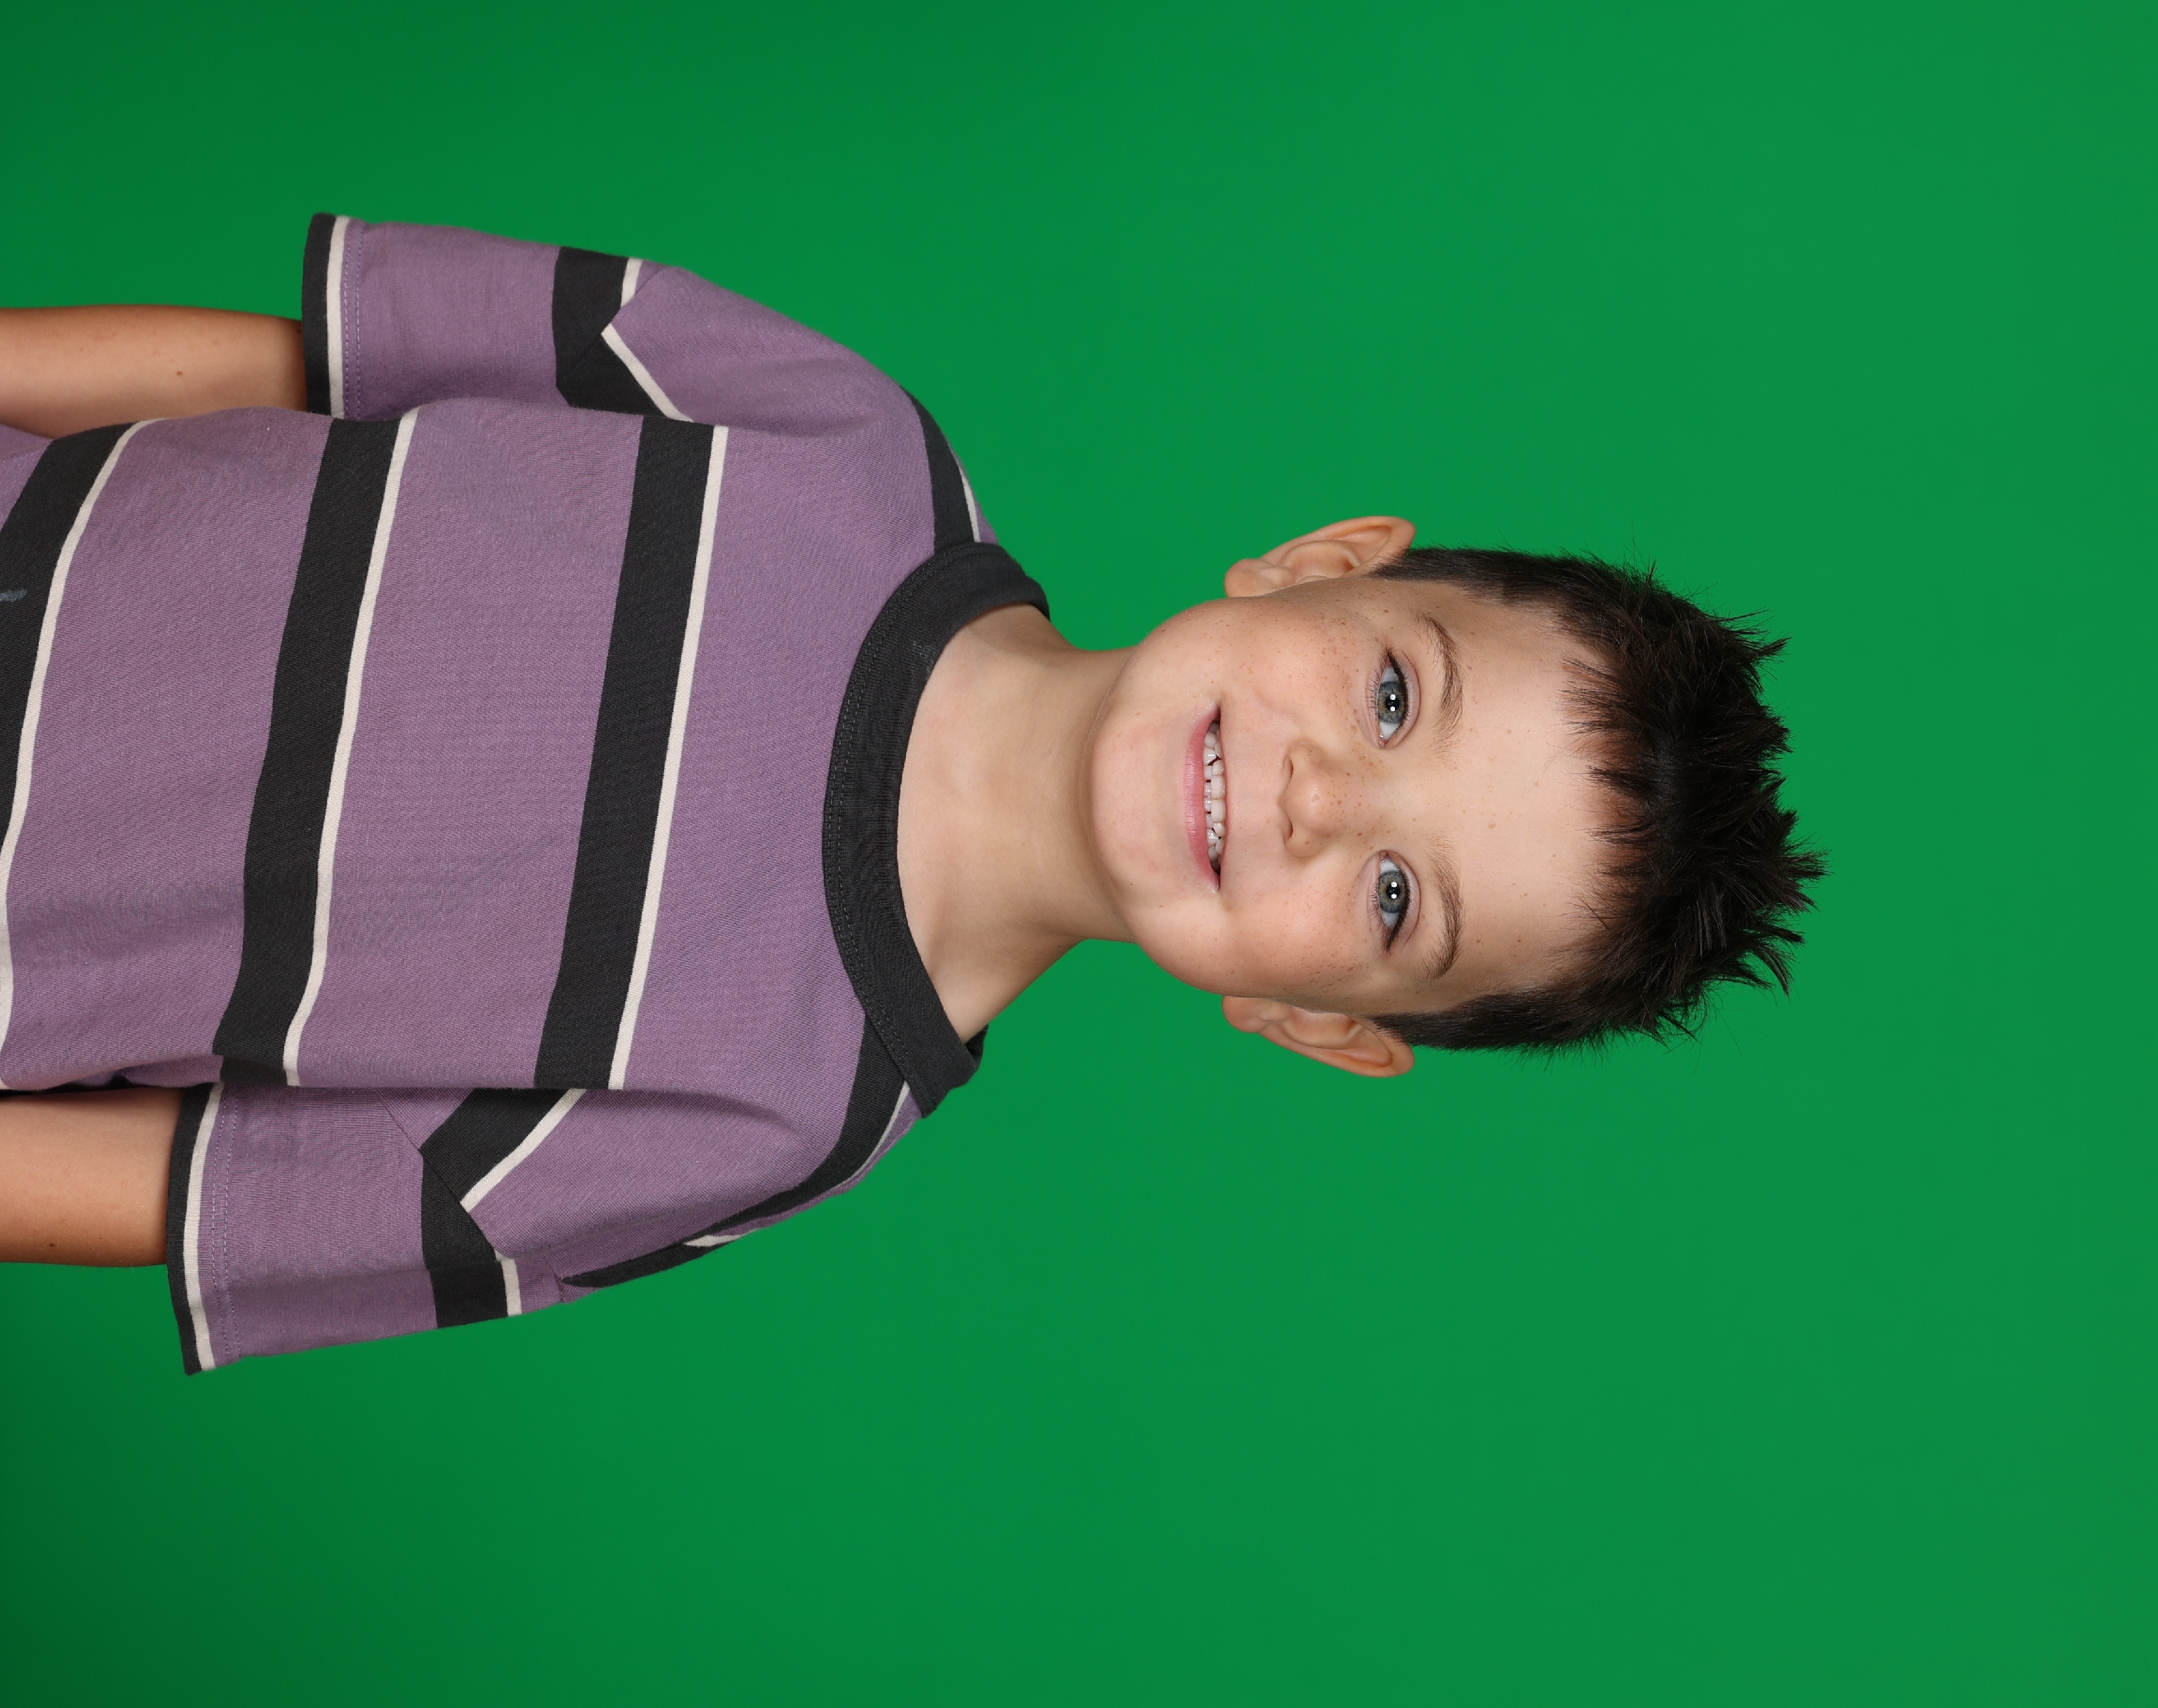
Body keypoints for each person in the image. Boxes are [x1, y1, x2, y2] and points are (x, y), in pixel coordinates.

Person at [0, 215, 1821, 1369]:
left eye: (1396, 899)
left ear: (1315, 1023)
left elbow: (197, 1187)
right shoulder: (832, 429)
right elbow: (313, 374)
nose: (1315, 801)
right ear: (1319, 561)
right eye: (1394, 695)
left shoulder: (774, 1115)